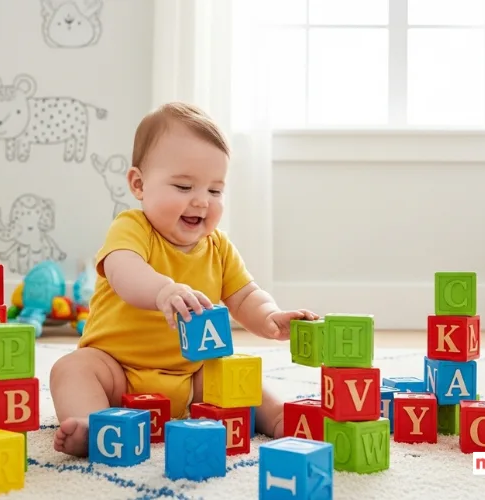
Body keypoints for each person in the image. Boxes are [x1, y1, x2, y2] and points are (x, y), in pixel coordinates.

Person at [50, 101, 319, 457]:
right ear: (139, 184)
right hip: (118, 372)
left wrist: (270, 318)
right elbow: (123, 271)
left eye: (214, 190)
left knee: (235, 374)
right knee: (70, 368)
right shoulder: (132, 228)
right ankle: (93, 422)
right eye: (183, 186)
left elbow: (244, 295)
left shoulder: (218, 247)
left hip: (191, 379)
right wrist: (163, 290)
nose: (201, 202)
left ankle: (278, 417)